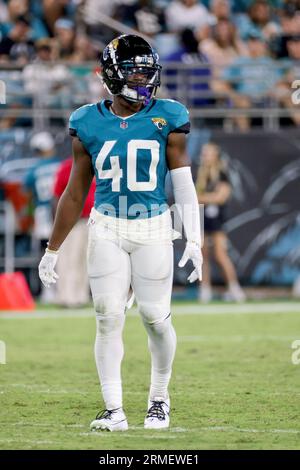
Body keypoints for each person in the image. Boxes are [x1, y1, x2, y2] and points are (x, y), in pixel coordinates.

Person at [38, 34, 202, 431]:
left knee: (155, 317)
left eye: (148, 71)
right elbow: (76, 190)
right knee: (107, 316)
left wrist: (193, 237)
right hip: (107, 225)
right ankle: (114, 410)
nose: (144, 79)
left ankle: (159, 399)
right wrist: (53, 248)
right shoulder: (86, 120)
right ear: (113, 76)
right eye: (135, 71)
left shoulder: (169, 115)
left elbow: (182, 182)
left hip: (152, 227)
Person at [196, 142, 245, 302]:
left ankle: (234, 287)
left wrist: (201, 198)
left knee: (220, 253)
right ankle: (205, 290)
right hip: (202, 217)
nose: (204, 156)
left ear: (215, 155)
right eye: (204, 153)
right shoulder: (199, 174)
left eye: (208, 153)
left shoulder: (222, 173)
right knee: (202, 255)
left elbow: (220, 197)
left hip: (217, 220)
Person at [23, 131, 61, 303]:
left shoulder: (33, 171)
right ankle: (63, 289)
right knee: (62, 252)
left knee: (44, 252)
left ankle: (48, 290)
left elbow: (28, 196)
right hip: (61, 212)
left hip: (43, 213)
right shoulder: (61, 165)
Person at [53, 157, 96, 307]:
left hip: (92, 220)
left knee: (85, 260)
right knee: (68, 259)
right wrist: (60, 222)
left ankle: (80, 296)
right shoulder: (67, 167)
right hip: (73, 221)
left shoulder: (97, 162)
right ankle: (66, 296)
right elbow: (58, 194)